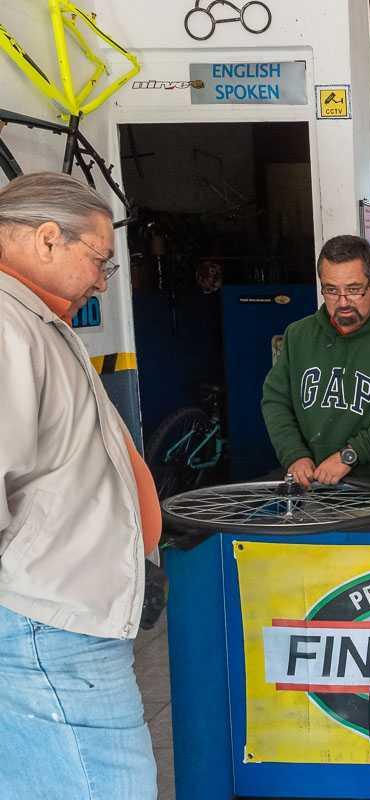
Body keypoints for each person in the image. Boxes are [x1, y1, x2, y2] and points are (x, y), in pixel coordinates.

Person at [0, 172, 160, 798]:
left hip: (62, 620)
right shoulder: (8, 328)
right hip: (52, 623)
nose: (101, 279)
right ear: (46, 239)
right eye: (99, 261)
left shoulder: (34, 319)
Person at [262, 234, 370, 488]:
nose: (342, 302)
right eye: (331, 290)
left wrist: (350, 455)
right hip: (309, 485)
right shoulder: (298, 335)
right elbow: (276, 401)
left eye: (353, 290)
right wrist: (294, 454)